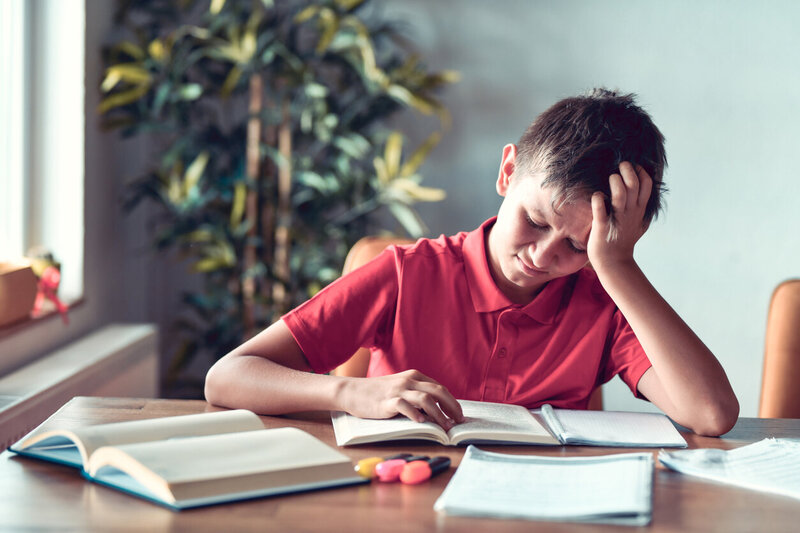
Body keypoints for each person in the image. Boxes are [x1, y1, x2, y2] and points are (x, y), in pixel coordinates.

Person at [205, 88, 739, 436]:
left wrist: (617, 266)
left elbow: (711, 415)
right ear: (508, 171)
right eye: (534, 219)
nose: (543, 256)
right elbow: (227, 377)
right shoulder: (406, 275)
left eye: (578, 246)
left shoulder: (603, 298)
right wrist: (349, 390)